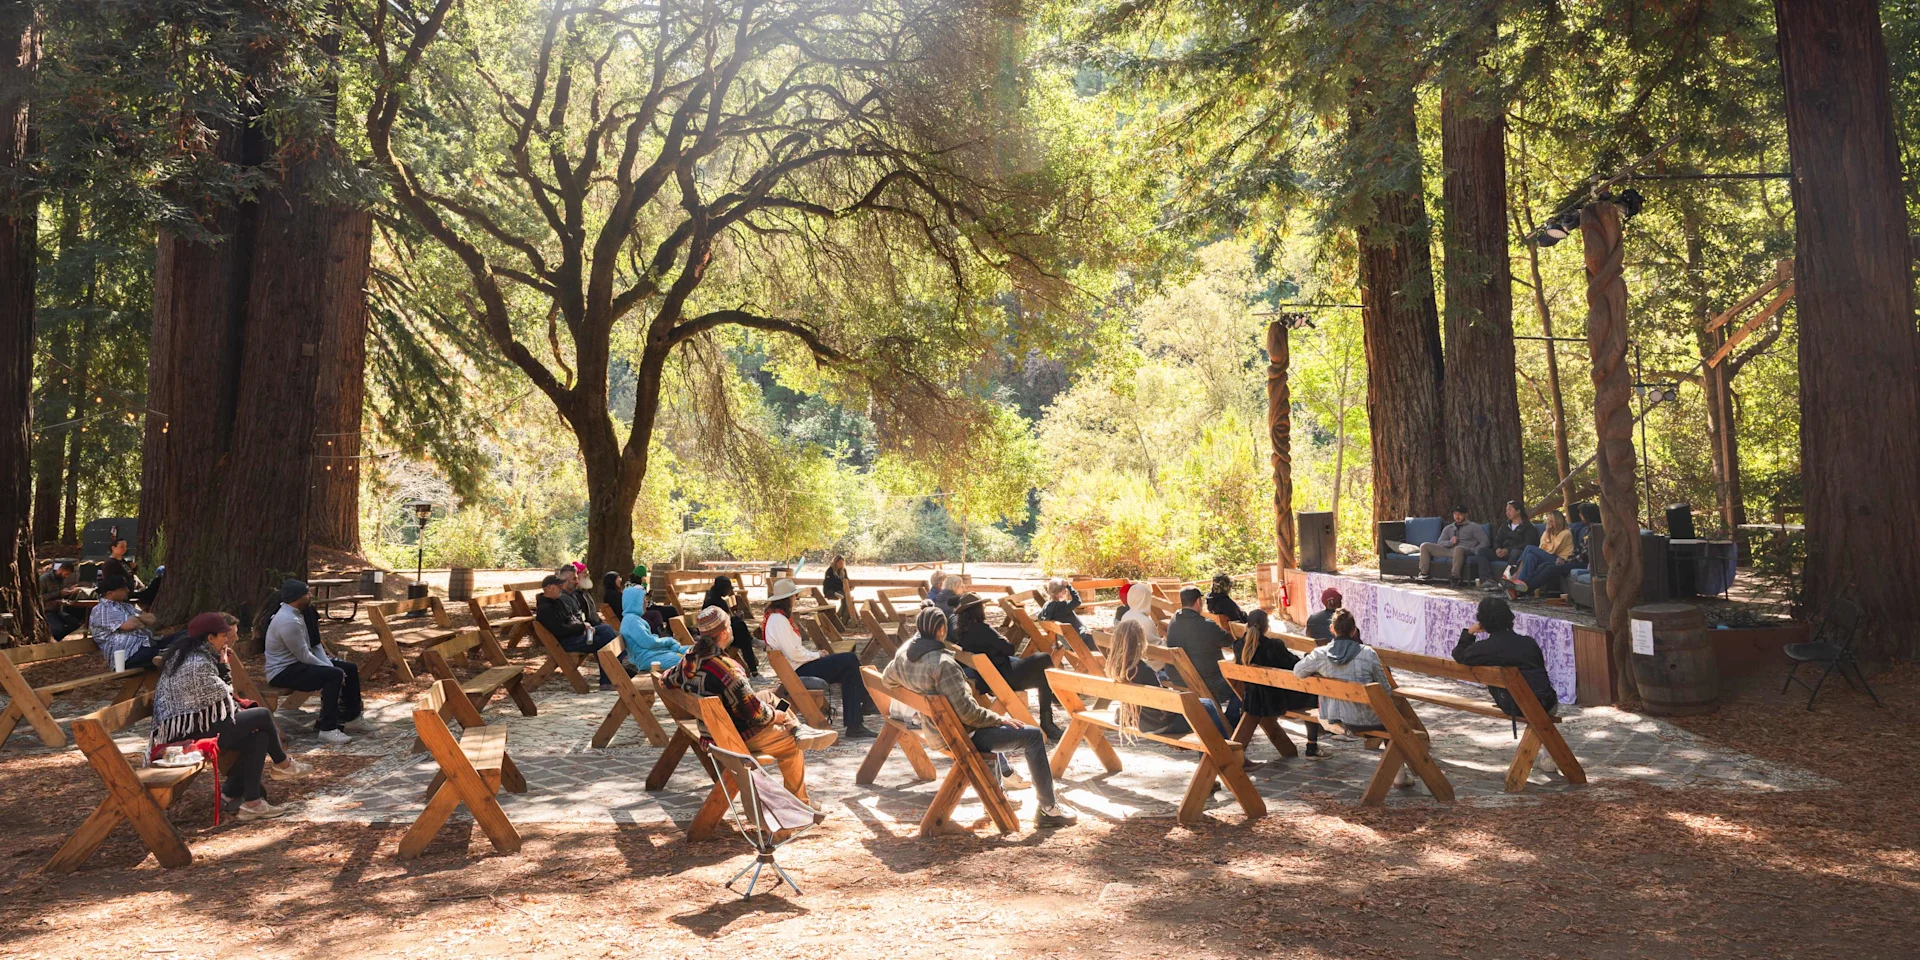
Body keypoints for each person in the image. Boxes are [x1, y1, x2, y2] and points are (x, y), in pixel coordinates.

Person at [884, 607, 1077, 828]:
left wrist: (918, 689)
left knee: (995, 729)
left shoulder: (904, 656)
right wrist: (999, 719)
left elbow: (886, 680)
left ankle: (998, 795)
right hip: (958, 736)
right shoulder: (943, 665)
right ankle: (1048, 809)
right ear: (941, 631)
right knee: (1033, 736)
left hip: (937, 730)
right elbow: (968, 714)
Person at [663, 605, 832, 804]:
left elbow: (666, 679)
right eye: (729, 625)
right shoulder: (728, 669)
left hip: (712, 729)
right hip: (733, 736)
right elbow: (756, 714)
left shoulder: (691, 658)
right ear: (724, 632)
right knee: (791, 746)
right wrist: (776, 716)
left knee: (768, 695)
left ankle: (798, 728)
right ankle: (801, 803)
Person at [151, 613, 310, 821]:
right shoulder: (196, 663)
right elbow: (225, 696)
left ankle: (253, 803)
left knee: (259, 737)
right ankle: (283, 764)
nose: (227, 640)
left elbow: (220, 700)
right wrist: (224, 666)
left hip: (198, 724)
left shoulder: (195, 655)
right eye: (223, 636)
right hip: (187, 734)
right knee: (262, 715)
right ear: (210, 638)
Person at [1294, 609, 1414, 787]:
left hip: (1333, 718)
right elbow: (1385, 690)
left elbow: (1298, 671)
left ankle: (1400, 773)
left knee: (1391, 717)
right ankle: (1400, 775)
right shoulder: (1368, 654)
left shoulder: (1320, 654)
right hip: (1366, 720)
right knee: (1393, 717)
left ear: (1332, 629)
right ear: (1353, 631)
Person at [761, 579, 876, 739]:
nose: (796, 599)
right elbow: (793, 653)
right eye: (794, 596)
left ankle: (855, 724)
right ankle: (865, 705)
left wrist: (814, 654)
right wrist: (817, 655)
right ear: (788, 599)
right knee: (850, 659)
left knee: (849, 671)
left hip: (796, 667)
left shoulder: (777, 618)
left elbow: (793, 650)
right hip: (797, 671)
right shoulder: (778, 620)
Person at [949, 593, 1061, 739]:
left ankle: (1048, 720)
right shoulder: (983, 629)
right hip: (1005, 675)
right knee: (1044, 657)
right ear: (977, 610)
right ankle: (1051, 711)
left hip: (989, 678)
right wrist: (1003, 639)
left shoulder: (963, 633)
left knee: (1043, 678)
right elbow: (1009, 649)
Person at [264, 579, 363, 743]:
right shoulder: (288, 621)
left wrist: (329, 665)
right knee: (334, 675)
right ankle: (327, 728)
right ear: (297, 597)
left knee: (349, 668)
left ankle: (352, 718)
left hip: (298, 664)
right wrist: (330, 669)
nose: (311, 596)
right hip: (282, 672)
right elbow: (303, 656)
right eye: (307, 593)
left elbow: (314, 645)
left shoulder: (300, 613)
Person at [1104, 618, 1228, 737]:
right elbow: (1164, 707)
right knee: (1208, 705)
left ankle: (1216, 747)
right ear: (1140, 642)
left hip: (1143, 721)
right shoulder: (1144, 670)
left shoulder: (1118, 669)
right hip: (1161, 724)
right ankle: (1223, 747)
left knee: (1203, 704)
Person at [1452, 597, 1559, 718]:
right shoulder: (1529, 643)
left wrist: (1470, 632)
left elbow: (1459, 654)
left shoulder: (1485, 648)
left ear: (1482, 622)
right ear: (1509, 617)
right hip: (1546, 704)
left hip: (1514, 706)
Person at [1238, 609, 1325, 757]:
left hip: (1252, 698)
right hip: (1275, 701)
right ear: (1266, 627)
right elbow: (1295, 666)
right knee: (1311, 692)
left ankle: (1305, 746)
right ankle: (1312, 746)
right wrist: (1307, 658)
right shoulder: (1274, 646)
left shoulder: (1238, 646)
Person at [1162, 587, 1243, 728]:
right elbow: (1230, 642)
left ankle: (1222, 719)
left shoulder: (1174, 621)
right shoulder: (1206, 625)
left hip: (1180, 677)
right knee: (1245, 682)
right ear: (1198, 602)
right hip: (1207, 681)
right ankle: (1230, 720)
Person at [536, 574, 615, 688]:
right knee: (601, 640)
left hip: (574, 635)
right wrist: (582, 627)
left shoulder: (558, 602)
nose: (561, 588)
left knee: (606, 629)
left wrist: (584, 626)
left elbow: (572, 618)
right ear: (548, 588)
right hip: (566, 642)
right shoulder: (545, 609)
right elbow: (561, 630)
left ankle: (616, 669)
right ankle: (607, 680)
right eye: (558, 586)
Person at [88, 574, 163, 668]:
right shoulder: (102, 609)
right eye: (123, 589)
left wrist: (135, 618)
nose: (127, 590)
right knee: (168, 653)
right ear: (110, 593)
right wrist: (139, 620)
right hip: (127, 655)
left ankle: (164, 653)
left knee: (179, 638)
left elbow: (152, 619)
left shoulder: (126, 606)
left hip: (145, 645)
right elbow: (131, 625)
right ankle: (164, 654)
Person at [1502, 509, 1574, 597]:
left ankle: (1516, 577)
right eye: (1548, 521)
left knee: (1529, 548)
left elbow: (1551, 550)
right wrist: (1547, 534)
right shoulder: (1550, 532)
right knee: (1530, 556)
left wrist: (1547, 533)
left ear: (1558, 521)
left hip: (1560, 560)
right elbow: (1541, 547)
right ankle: (1521, 585)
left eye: (1551, 521)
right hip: (1551, 556)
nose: (1549, 524)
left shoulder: (1565, 533)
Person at [619, 583, 688, 672]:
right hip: (648, 659)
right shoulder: (631, 621)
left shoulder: (634, 618)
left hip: (656, 653)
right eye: (643, 600)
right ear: (635, 602)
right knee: (689, 661)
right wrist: (669, 641)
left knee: (693, 651)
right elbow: (649, 642)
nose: (646, 602)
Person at [700, 575, 760, 676]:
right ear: (723, 588)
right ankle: (754, 670)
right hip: (717, 636)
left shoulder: (711, 597)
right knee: (743, 634)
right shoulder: (717, 602)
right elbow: (724, 622)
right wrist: (737, 617)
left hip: (718, 631)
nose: (729, 591)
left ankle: (753, 667)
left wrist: (735, 618)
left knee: (741, 630)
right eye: (728, 589)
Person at [1417, 507, 1489, 584]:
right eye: (1455, 514)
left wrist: (1475, 550)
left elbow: (1485, 541)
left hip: (1465, 550)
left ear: (1465, 515)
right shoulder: (1449, 528)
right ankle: (1424, 574)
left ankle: (1455, 577)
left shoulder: (1473, 526)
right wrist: (1450, 542)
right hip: (1450, 550)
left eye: (1460, 514)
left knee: (1458, 548)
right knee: (1425, 546)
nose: (1457, 517)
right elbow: (1440, 542)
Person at [1478, 500, 1540, 587]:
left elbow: (1528, 544)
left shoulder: (1528, 527)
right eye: (1506, 510)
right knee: (1481, 551)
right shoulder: (1505, 525)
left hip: (1516, 554)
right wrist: (1497, 549)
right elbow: (1497, 540)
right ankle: (1487, 579)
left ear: (1518, 511)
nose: (1507, 512)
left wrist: (1508, 550)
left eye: (1510, 510)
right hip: (1502, 553)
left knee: (1515, 552)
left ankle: (1508, 580)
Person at [38, 560, 85, 640]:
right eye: (66, 574)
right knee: (58, 629)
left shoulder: (61, 580)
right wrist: (59, 593)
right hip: (47, 611)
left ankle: (56, 640)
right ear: (60, 570)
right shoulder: (44, 579)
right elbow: (40, 597)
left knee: (75, 623)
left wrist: (70, 591)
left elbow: (61, 594)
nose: (66, 576)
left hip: (58, 610)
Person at [1038, 578, 1092, 646]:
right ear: (1057, 593)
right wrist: (1069, 586)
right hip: (1080, 640)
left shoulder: (1047, 605)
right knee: (1102, 640)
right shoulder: (1062, 606)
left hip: (1066, 642)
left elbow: (1039, 617)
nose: (1065, 591)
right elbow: (1077, 601)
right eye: (1064, 590)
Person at [822, 555, 855, 622]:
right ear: (835, 562)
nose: (841, 564)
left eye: (842, 563)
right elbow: (829, 584)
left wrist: (850, 586)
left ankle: (842, 616)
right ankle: (836, 594)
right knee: (841, 595)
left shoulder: (843, 570)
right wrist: (842, 587)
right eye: (839, 563)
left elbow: (846, 579)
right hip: (830, 589)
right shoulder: (830, 571)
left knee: (845, 597)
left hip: (840, 589)